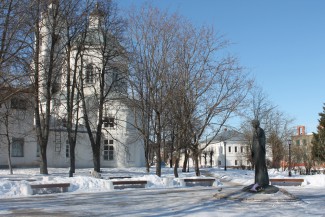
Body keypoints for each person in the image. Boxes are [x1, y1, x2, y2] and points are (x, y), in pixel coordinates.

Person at [251, 119, 269, 190]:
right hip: (256, 150)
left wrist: (262, 148)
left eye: (253, 124)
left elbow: (263, 140)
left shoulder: (260, 130)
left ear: (256, 124)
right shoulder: (254, 131)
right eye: (252, 124)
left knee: (260, 166)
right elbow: (253, 142)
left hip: (259, 150)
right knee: (257, 167)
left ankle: (261, 182)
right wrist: (252, 151)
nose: (252, 125)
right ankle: (257, 182)